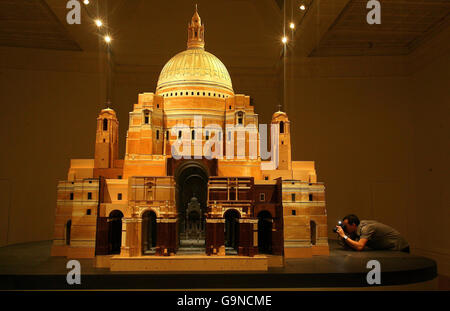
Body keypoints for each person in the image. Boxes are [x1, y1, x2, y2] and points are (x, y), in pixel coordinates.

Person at [335, 214, 410, 253]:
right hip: (390, 250)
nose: (345, 228)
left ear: (353, 225)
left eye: (346, 226)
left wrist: (344, 236)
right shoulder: (355, 230)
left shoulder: (366, 228)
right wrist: (342, 236)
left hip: (400, 248)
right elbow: (350, 246)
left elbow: (360, 247)